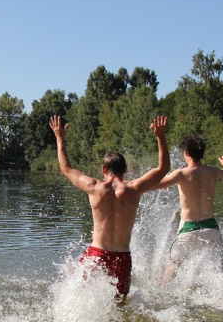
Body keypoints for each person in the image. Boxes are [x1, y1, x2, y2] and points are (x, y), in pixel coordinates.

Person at [50, 115, 169, 303]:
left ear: (103, 170)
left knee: (81, 298)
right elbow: (163, 169)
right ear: (126, 169)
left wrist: (59, 138)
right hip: (122, 258)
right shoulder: (134, 189)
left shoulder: (94, 187)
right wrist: (160, 137)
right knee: (119, 305)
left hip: (97, 254)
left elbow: (66, 168)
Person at [153, 134, 223, 285]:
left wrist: (129, 184)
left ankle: (161, 291)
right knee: (218, 270)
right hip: (211, 228)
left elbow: (155, 184)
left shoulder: (181, 174)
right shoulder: (213, 171)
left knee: (174, 264)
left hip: (189, 228)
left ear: (186, 153)